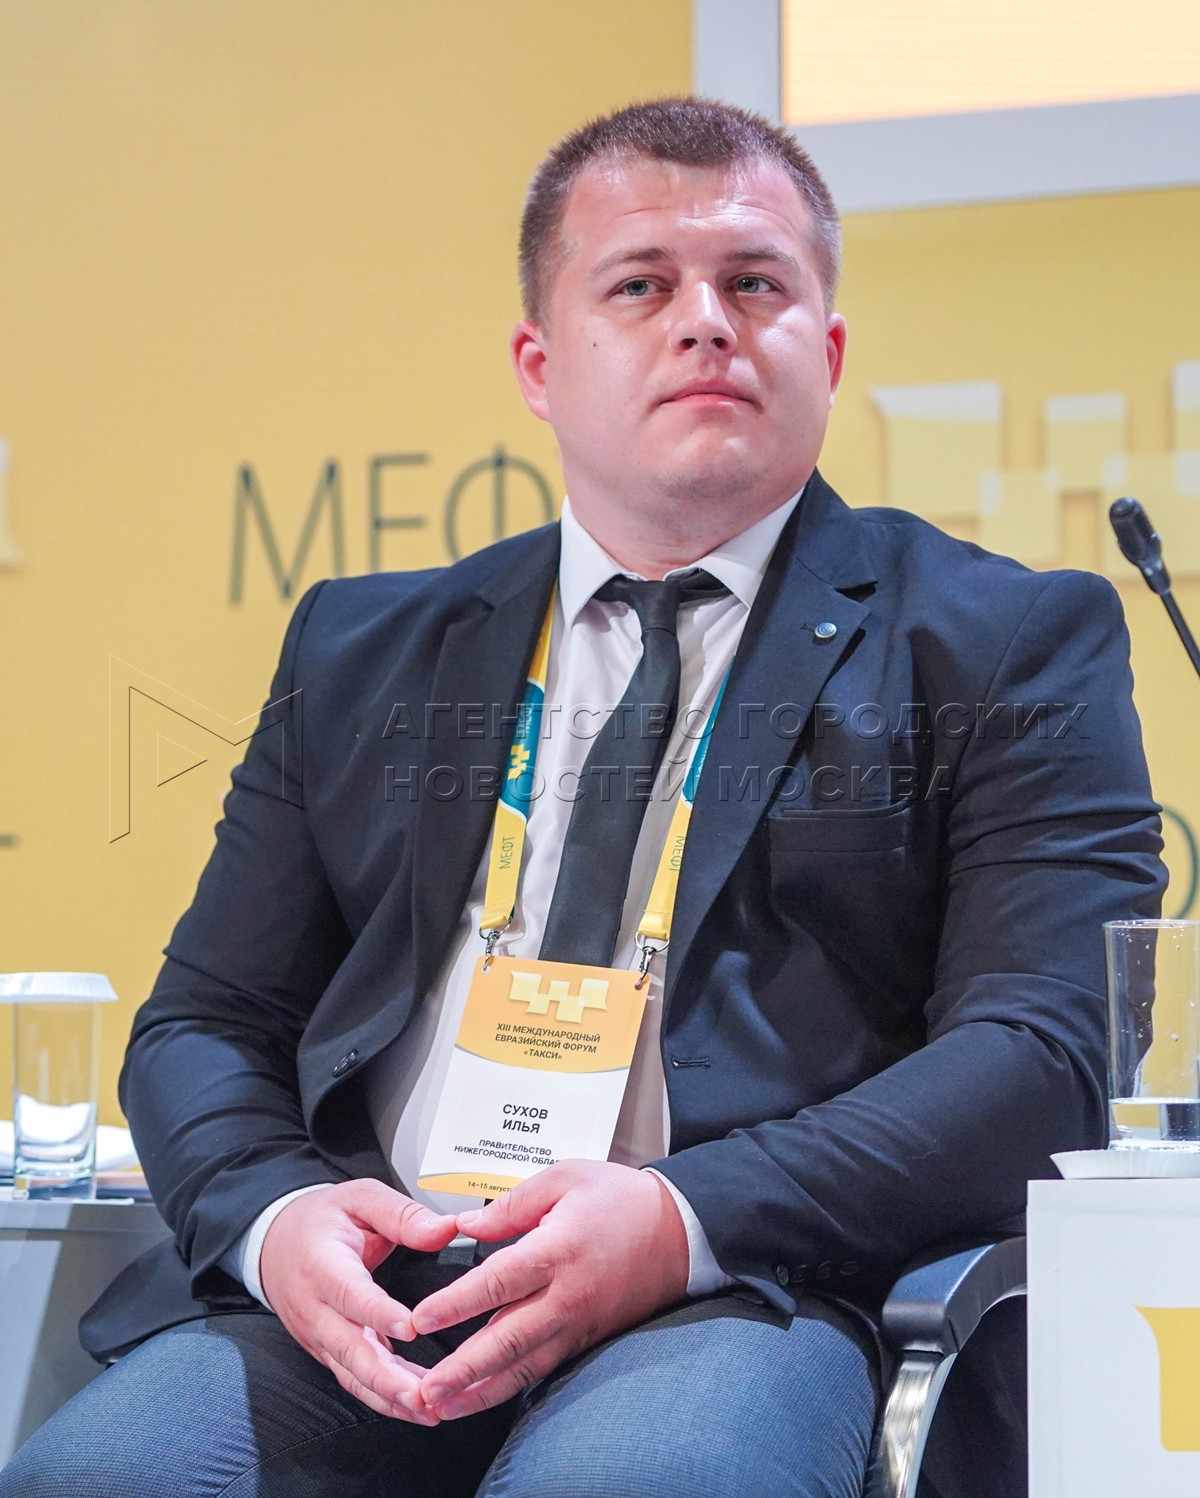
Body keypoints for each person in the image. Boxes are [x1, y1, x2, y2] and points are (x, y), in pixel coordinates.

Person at [1, 97, 1164, 1498]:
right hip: (386, 1284)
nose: (706, 322)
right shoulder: (363, 648)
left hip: (736, 1288)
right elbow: (206, 1022)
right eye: (640, 285)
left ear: (830, 350)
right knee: (96, 1478)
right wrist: (276, 1218)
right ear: (540, 366)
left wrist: (678, 1218)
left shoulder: (1001, 643)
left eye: (755, 283)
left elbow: (1045, 1052)